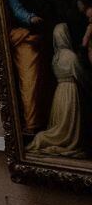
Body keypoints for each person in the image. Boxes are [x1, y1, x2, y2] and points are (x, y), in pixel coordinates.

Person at [5, 0, 54, 132]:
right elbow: (17, 10)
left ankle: (41, 121)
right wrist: (30, 18)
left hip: (35, 36)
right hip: (22, 37)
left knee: (41, 80)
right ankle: (31, 124)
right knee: (29, 81)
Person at [27, 24, 87, 158]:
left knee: (61, 120)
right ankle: (67, 141)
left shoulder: (56, 58)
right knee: (69, 123)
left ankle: (50, 138)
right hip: (71, 91)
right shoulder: (71, 56)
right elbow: (81, 76)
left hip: (59, 93)